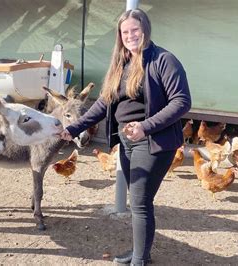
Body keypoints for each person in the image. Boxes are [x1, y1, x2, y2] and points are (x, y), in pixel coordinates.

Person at [60, 8, 191, 265]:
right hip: (127, 140)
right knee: (141, 202)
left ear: (145, 29)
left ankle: (139, 260)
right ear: (120, 36)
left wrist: (146, 126)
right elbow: (103, 104)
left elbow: (181, 102)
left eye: (135, 30)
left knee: (139, 203)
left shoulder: (164, 60)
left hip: (153, 141)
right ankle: (142, 253)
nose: (130, 36)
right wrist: (72, 129)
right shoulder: (121, 62)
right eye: (125, 32)